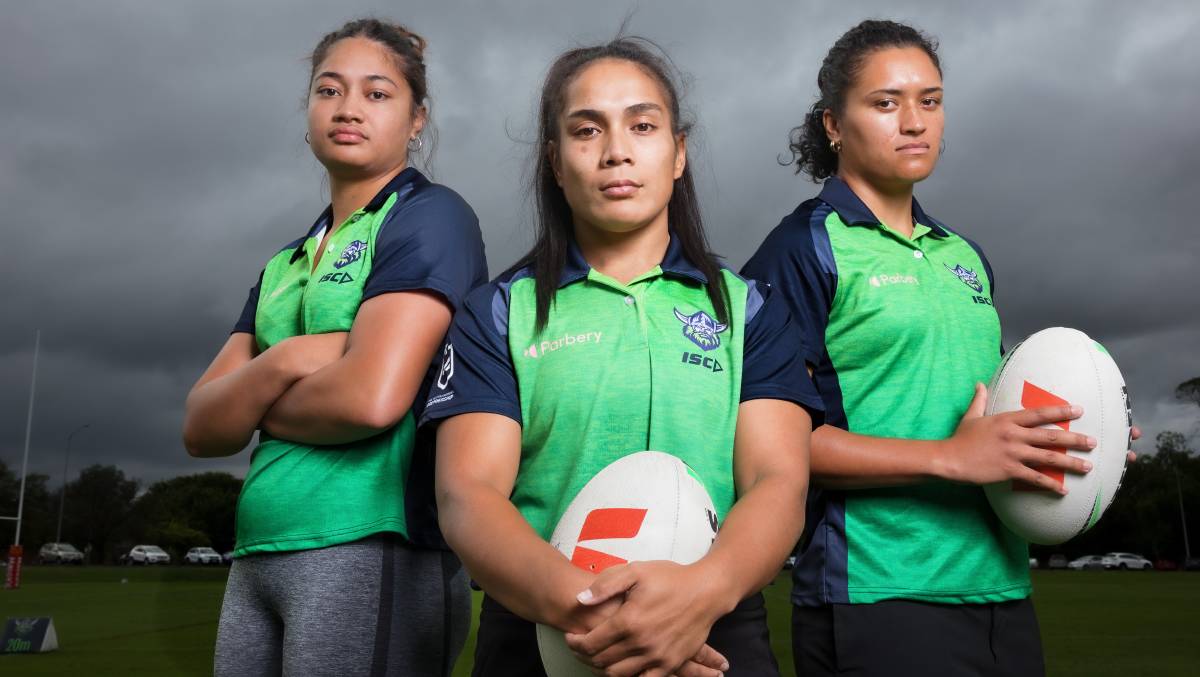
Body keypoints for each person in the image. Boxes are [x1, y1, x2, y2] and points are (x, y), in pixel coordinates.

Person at [743, 19, 1140, 676]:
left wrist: (1079, 432)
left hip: (1002, 589)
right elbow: (769, 449)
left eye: (929, 100)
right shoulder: (801, 250)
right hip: (878, 593)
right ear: (833, 124)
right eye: (885, 102)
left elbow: (991, 405)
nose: (914, 121)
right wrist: (949, 459)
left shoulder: (965, 256)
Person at [421, 37, 824, 677]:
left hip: (714, 632)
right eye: (587, 130)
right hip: (538, 628)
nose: (617, 151)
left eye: (642, 125)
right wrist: (597, 617)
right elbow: (467, 496)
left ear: (679, 152)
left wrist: (699, 596)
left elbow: (778, 483)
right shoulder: (495, 312)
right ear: (554, 162)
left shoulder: (751, 310)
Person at [182, 18, 486, 676]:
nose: (348, 108)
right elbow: (202, 427)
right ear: (308, 111)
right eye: (329, 90)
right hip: (257, 550)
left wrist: (251, 400)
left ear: (416, 120)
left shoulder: (430, 216)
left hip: (373, 545)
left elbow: (371, 399)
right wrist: (288, 358)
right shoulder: (284, 263)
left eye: (377, 94)